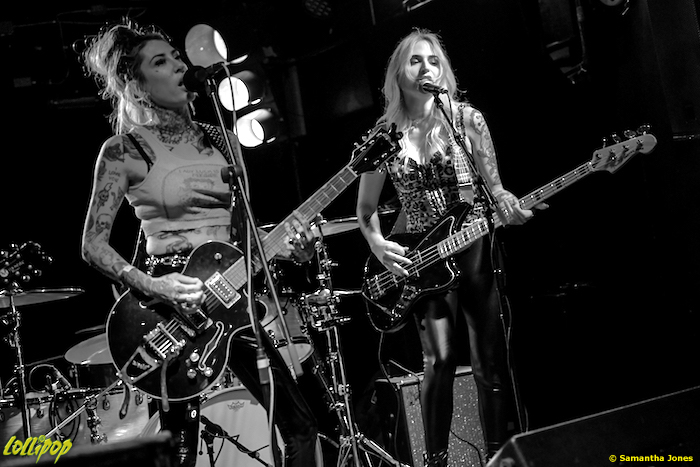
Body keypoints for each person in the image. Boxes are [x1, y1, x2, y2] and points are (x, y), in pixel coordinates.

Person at [80, 19, 318, 467]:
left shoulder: (224, 141)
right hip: (168, 306)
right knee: (179, 445)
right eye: (160, 61)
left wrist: (290, 249)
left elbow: (245, 236)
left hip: (229, 295)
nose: (178, 65)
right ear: (137, 86)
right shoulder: (124, 150)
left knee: (302, 426)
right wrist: (152, 285)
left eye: (176, 56)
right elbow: (92, 244)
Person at [356, 29, 543, 466]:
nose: (427, 68)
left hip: (474, 244)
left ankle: (498, 457)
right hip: (423, 258)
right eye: (416, 60)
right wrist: (379, 245)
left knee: (489, 360)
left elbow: (495, 187)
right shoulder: (384, 135)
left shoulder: (466, 120)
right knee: (439, 359)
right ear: (398, 73)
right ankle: (435, 460)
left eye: (434, 60)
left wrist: (508, 204)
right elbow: (365, 209)